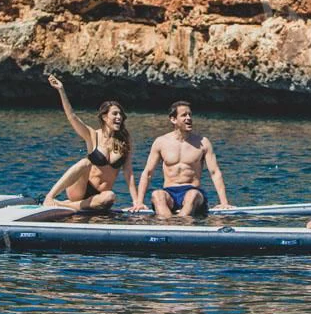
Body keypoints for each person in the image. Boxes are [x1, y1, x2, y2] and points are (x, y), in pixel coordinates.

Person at [44, 73, 137, 211]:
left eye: (121, 114)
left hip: (100, 195)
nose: (119, 117)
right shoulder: (92, 135)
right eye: (115, 114)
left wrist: (136, 201)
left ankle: (63, 204)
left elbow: (128, 172)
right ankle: (50, 197)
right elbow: (72, 116)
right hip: (79, 190)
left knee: (110, 196)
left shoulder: (124, 140)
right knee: (85, 162)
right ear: (104, 117)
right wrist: (61, 90)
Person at [132, 100, 231, 218]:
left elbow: (215, 173)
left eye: (190, 115)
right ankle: (170, 224)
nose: (188, 118)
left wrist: (224, 202)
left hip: (193, 191)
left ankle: (179, 223)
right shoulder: (161, 142)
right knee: (157, 195)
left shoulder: (203, 142)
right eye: (184, 115)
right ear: (173, 119)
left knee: (192, 195)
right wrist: (139, 202)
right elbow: (147, 173)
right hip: (169, 192)